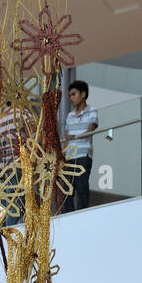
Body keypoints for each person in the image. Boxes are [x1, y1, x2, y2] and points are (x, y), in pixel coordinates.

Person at [62, 80, 98, 212]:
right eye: (70, 95)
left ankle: (82, 214)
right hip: (70, 156)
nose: (71, 98)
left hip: (83, 155)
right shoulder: (69, 115)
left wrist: (74, 137)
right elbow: (67, 138)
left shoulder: (92, 111)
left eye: (73, 94)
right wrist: (63, 156)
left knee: (81, 186)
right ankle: (68, 215)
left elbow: (90, 130)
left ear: (83, 94)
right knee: (67, 188)